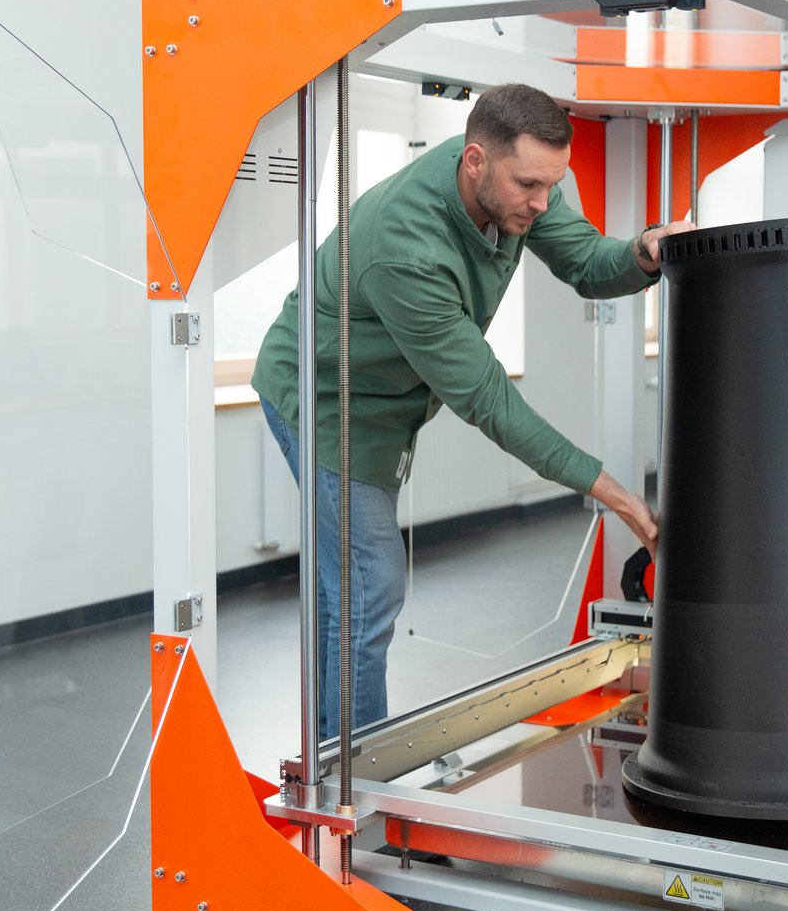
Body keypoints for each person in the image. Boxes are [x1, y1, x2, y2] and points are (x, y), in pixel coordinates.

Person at [252, 83, 693, 737]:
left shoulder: (517, 184)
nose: (541, 202)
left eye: (552, 184)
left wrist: (646, 247)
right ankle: (355, 769)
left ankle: (327, 751)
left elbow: (586, 261)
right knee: (370, 585)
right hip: (325, 400)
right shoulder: (405, 247)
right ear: (476, 159)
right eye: (529, 186)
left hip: (385, 397)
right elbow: (489, 400)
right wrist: (620, 498)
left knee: (346, 589)